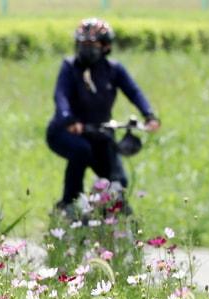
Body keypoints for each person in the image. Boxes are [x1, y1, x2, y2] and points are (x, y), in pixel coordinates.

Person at [46, 19, 160, 213]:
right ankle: (68, 204)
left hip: (100, 132)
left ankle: (108, 219)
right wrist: (69, 119)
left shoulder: (113, 70)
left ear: (105, 46)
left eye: (92, 45)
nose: (86, 49)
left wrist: (149, 115)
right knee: (81, 151)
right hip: (65, 131)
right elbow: (61, 96)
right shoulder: (69, 67)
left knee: (118, 180)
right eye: (82, 45)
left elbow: (134, 92)